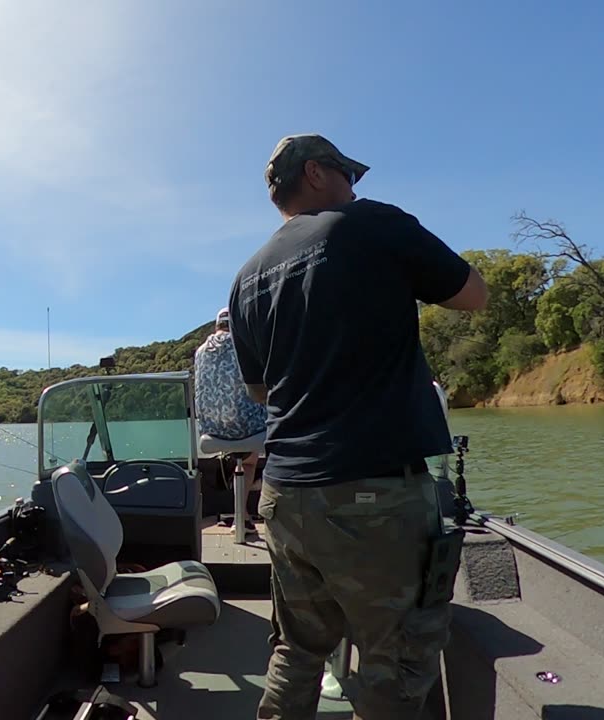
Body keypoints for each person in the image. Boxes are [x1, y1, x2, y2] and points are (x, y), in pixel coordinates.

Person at [227, 134, 488, 720]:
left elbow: (260, 393)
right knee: (392, 663)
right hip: (374, 494)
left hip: (286, 497)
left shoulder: (246, 277)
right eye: (348, 173)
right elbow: (473, 295)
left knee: (295, 650)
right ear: (317, 173)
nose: (355, 186)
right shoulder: (371, 224)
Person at [193, 307, 267, 532]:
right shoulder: (247, 347)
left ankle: (240, 514)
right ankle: (244, 514)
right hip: (246, 429)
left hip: (211, 430)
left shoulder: (200, 351)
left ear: (217, 326)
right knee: (250, 460)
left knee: (240, 455)